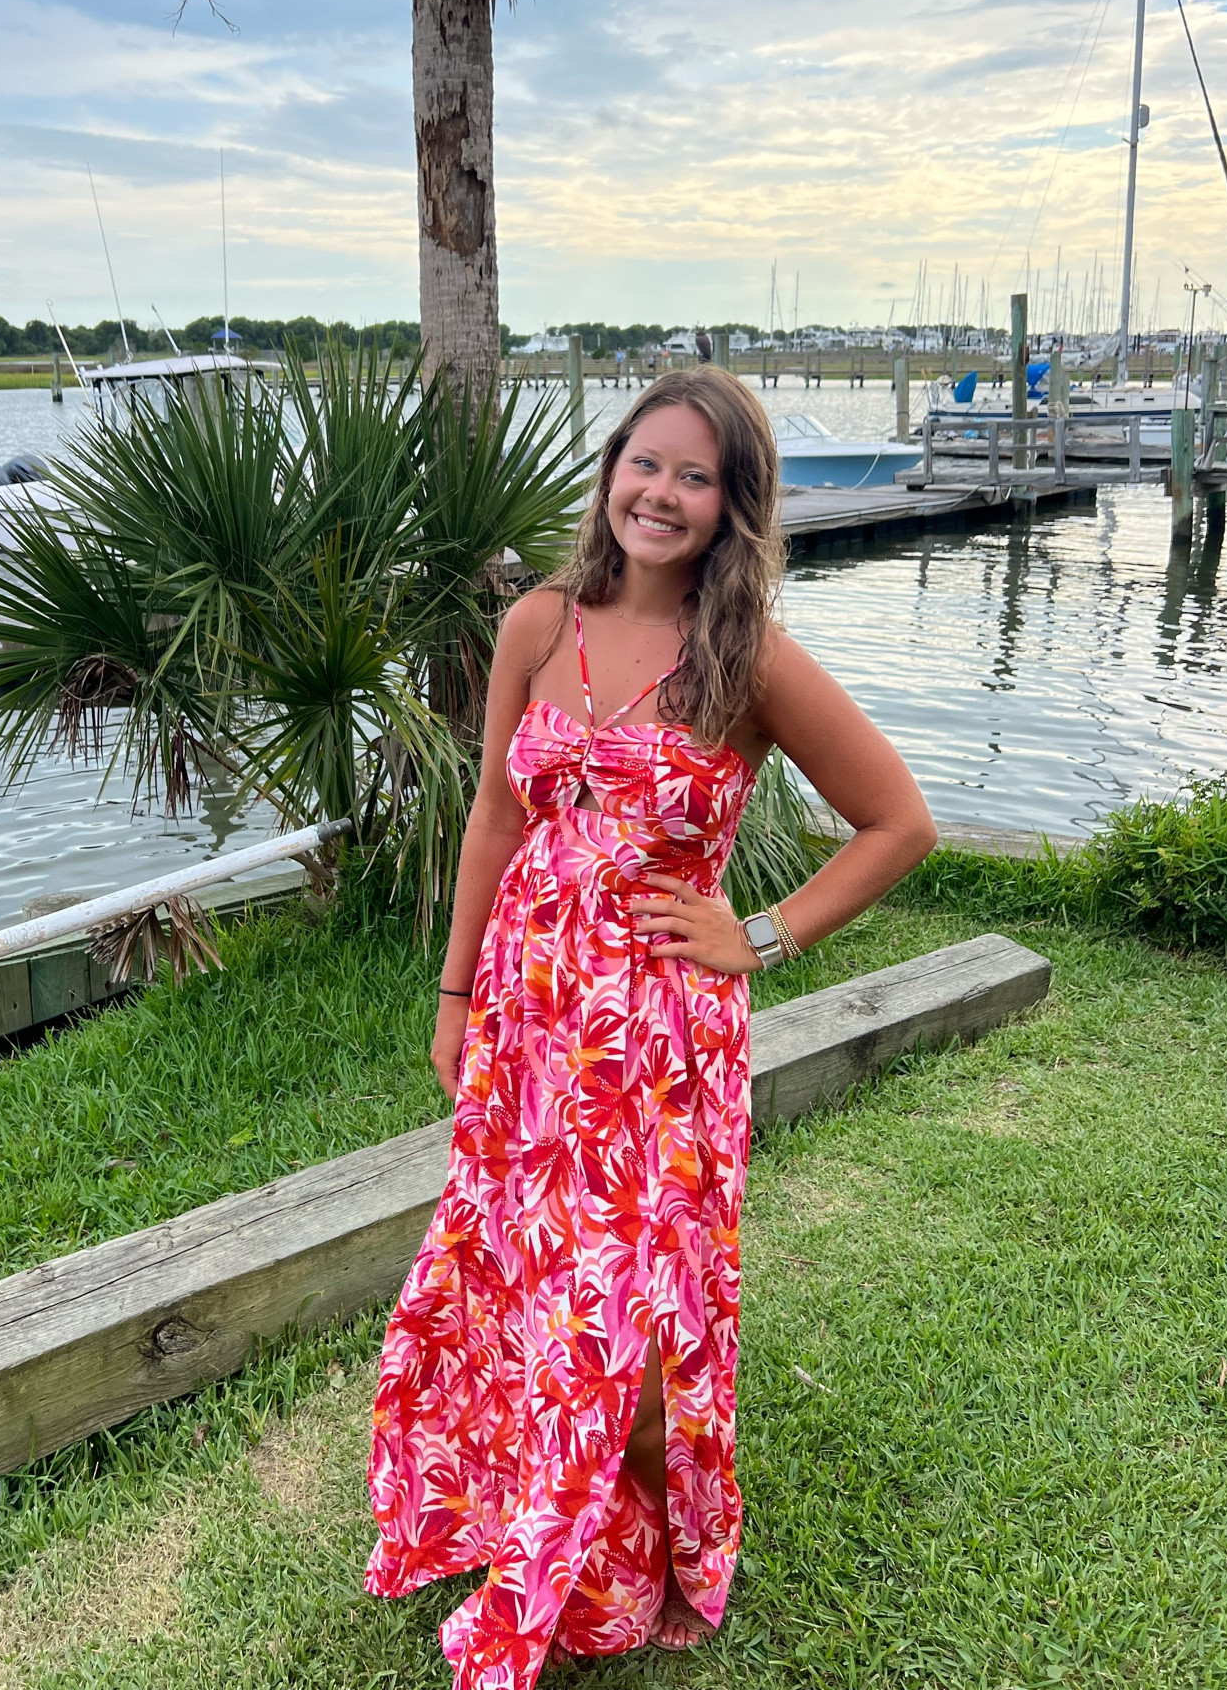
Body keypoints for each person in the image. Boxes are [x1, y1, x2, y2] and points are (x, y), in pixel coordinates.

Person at [365, 368, 937, 1688]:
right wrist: (456, 996)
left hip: (662, 1045)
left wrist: (763, 935)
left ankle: (630, 1545)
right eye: (646, 463)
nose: (660, 494)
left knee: (626, 1311)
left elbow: (897, 822)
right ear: (611, 467)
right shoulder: (537, 626)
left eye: (695, 476)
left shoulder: (752, 661)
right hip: (525, 1018)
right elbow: (496, 822)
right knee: (519, 1275)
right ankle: (513, 1510)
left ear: (734, 506)